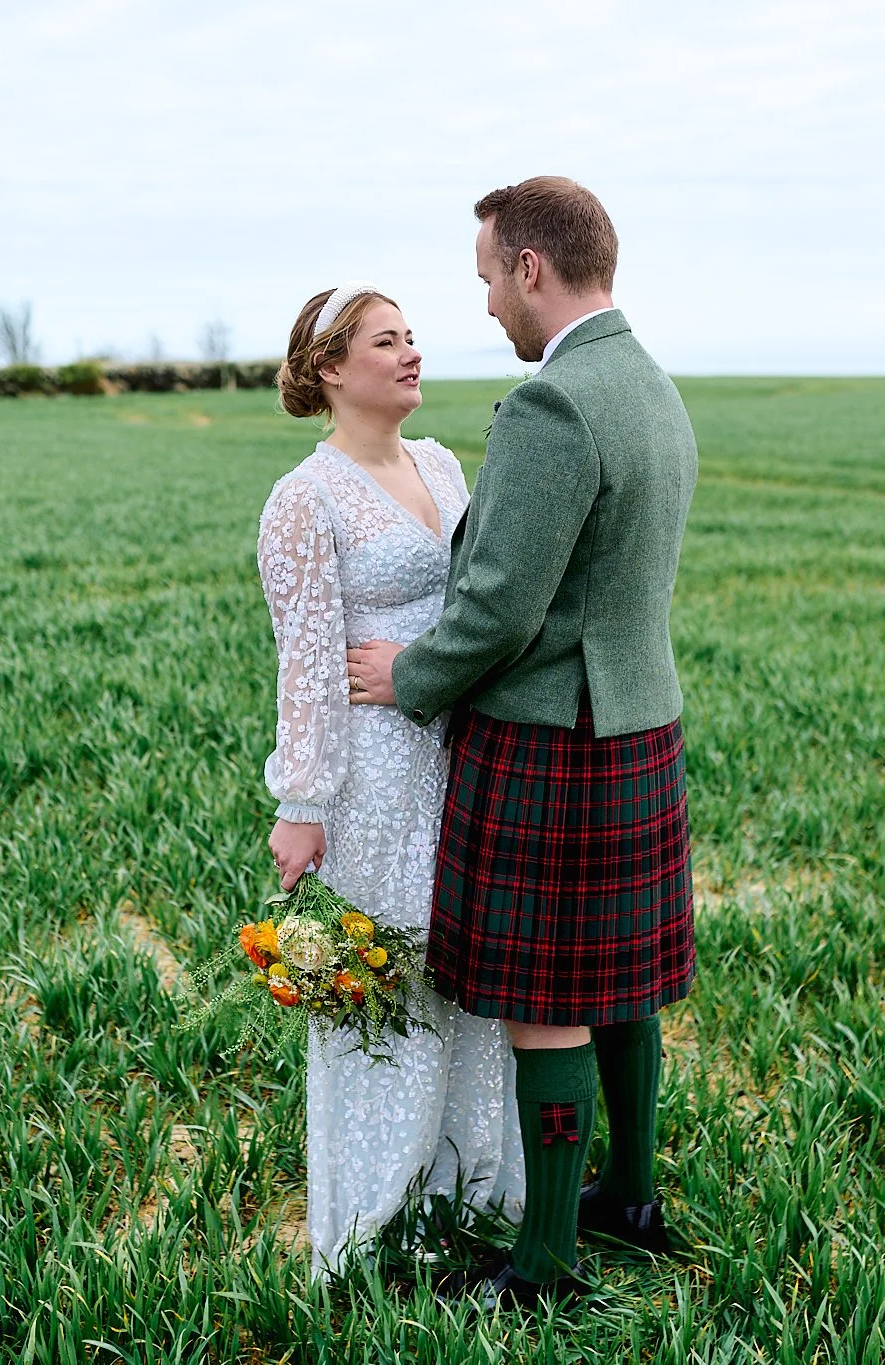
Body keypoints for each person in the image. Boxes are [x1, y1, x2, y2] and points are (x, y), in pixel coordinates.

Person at [346, 176, 699, 1307]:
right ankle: (630, 1201)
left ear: (531, 269)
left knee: (545, 994)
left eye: (490, 277)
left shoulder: (554, 406)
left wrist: (411, 679)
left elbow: (498, 604)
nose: (489, 304)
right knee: (620, 979)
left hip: (555, 731)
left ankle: (544, 1262)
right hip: (636, 715)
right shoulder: (646, 384)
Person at [256, 283, 526, 1279]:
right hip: (377, 778)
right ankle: (379, 1227)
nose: (411, 354)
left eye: (412, 338)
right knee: (391, 987)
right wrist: (301, 806)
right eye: (386, 342)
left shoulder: (442, 463)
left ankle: (471, 1199)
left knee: (470, 981)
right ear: (330, 367)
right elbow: (307, 664)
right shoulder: (304, 499)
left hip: (466, 753)